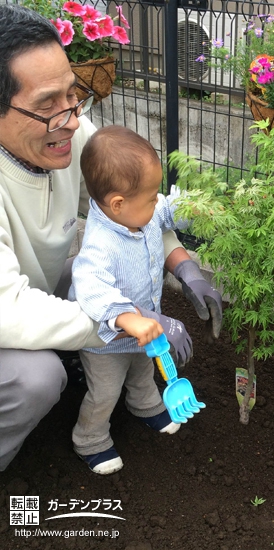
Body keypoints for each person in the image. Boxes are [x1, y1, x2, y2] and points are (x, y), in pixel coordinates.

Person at [0, 4, 222, 472]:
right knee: (39, 379)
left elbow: (136, 209)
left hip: (53, 294)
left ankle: (141, 401)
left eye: (71, 94)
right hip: (10, 314)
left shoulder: (67, 135)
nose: (72, 119)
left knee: (137, 368)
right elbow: (9, 312)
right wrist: (128, 322)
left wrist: (183, 265)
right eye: (46, 105)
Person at [69, 125, 197, 474]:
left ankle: (146, 405)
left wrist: (199, 207)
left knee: (144, 371)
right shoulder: (99, 245)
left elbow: (168, 211)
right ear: (118, 204)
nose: (157, 202)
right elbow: (92, 289)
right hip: (107, 343)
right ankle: (90, 439)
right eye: (152, 197)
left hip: (146, 329)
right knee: (104, 393)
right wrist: (130, 318)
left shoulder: (141, 213)